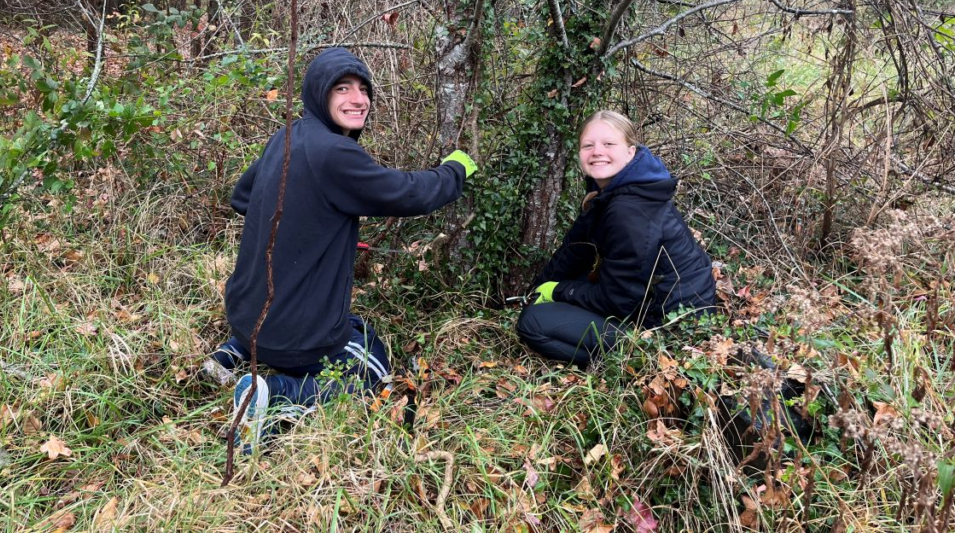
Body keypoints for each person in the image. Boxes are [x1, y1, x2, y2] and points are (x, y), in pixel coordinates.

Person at [209, 47, 477, 452]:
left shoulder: (286, 135)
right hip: (291, 334)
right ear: (319, 93)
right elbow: (409, 194)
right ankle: (276, 396)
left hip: (245, 315)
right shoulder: (334, 152)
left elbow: (243, 198)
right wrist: (455, 169)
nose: (358, 99)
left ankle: (233, 354)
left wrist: (313, 222)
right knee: (373, 363)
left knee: (351, 326)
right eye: (342, 89)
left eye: (363, 89)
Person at [516, 110, 715, 366]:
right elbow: (575, 250)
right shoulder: (612, 190)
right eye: (588, 145)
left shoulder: (628, 210)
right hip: (650, 304)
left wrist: (558, 290)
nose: (597, 151)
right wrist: (536, 289)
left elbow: (618, 301)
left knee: (533, 322)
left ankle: (631, 363)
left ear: (631, 152)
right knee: (561, 292)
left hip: (670, 330)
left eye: (609, 144)